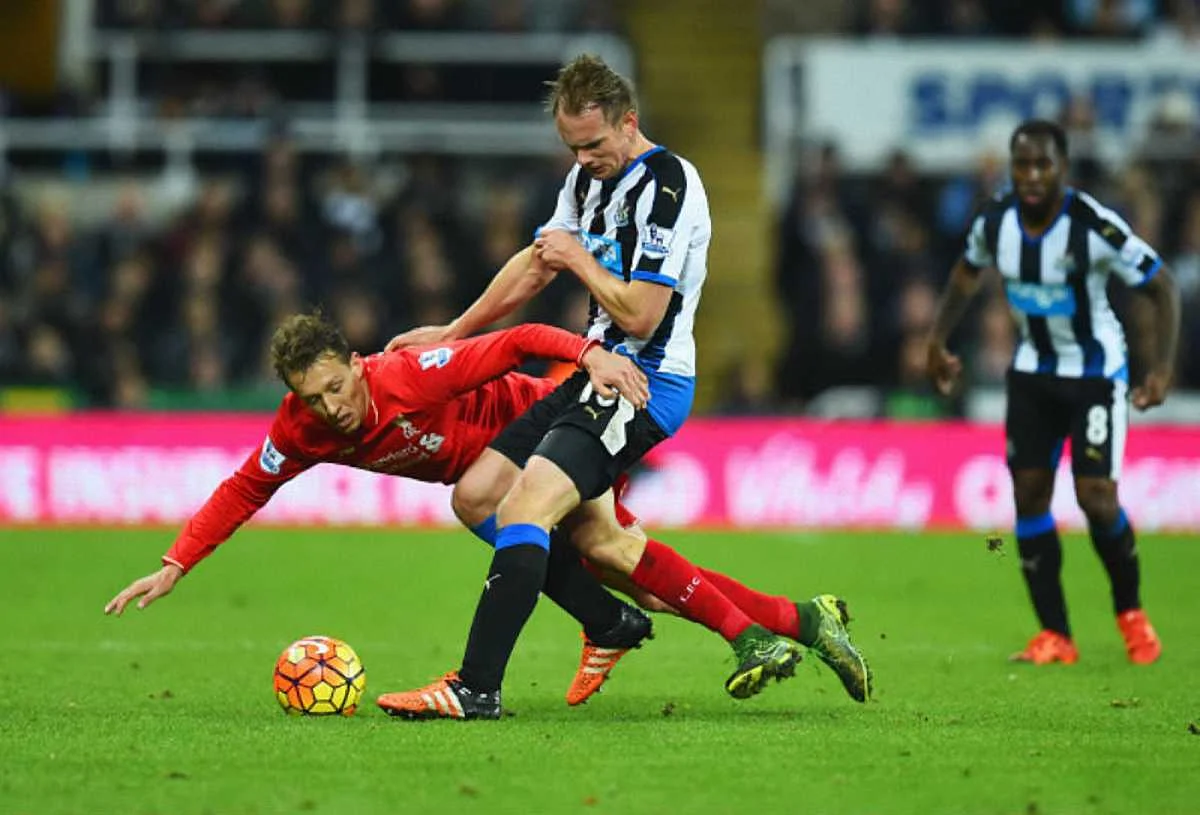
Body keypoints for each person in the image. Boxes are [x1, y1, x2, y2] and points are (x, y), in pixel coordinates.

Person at [376, 54, 871, 721]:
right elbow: (536, 262)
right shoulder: (586, 181)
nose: (584, 158)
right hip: (594, 375)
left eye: (595, 144)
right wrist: (455, 331)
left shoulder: (670, 185)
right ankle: (799, 620)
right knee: (491, 501)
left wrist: (577, 256)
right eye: (571, 146)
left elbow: (640, 313)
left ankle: (476, 687)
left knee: (527, 513)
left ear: (628, 121)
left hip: (642, 383)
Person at [104, 312, 867, 709]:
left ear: (356, 363)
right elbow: (245, 486)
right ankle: (801, 618)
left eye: (338, 385)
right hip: (507, 472)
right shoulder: (299, 428)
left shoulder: (409, 376)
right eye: (314, 397)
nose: (333, 408)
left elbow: (516, 341)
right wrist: (176, 561)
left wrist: (587, 355)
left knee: (552, 529)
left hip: (548, 424)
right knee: (625, 565)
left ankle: (605, 631)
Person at [926, 119, 1181, 666]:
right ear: (1012, 168)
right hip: (1033, 373)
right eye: (1023, 165)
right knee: (1030, 496)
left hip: (1094, 374)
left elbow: (1162, 284)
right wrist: (938, 338)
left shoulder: (1092, 224)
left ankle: (1132, 616)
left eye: (1044, 165)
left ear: (1062, 168)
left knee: (1096, 498)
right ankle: (1056, 635)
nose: (1033, 176)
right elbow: (967, 274)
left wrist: (1159, 370)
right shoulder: (996, 221)